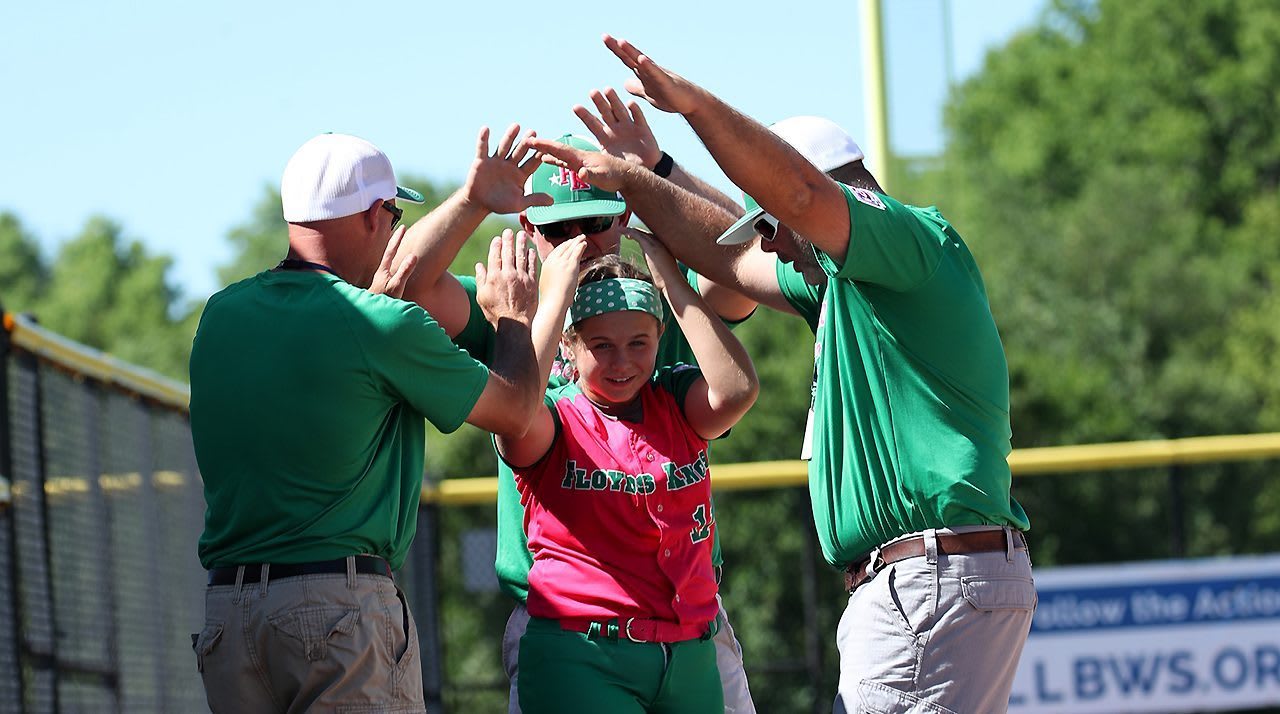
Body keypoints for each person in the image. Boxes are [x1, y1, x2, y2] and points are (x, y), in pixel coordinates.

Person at [529, 36, 1037, 714]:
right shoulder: (841, 283)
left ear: (825, 201)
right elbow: (729, 254)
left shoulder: (913, 242)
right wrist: (656, 168)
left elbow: (794, 196)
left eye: (773, 223)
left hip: (932, 573)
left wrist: (687, 112)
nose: (767, 240)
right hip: (935, 574)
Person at [402, 114, 759, 713]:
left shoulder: (644, 305)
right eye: (560, 228)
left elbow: (747, 260)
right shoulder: (509, 304)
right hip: (569, 617)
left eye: (595, 222)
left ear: (623, 217)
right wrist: (469, 201)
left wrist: (658, 172)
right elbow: (403, 287)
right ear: (528, 227)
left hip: (687, 613)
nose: (582, 242)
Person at [189, 131, 547, 713]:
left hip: (229, 616)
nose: (395, 229)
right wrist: (512, 319)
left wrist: (473, 199)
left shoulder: (220, 314)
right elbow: (517, 410)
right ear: (373, 215)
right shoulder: (380, 325)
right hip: (336, 610)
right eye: (393, 213)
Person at [498, 227, 759, 713]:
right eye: (601, 346)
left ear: (660, 336)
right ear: (570, 348)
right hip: (585, 652)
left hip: (690, 649)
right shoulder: (552, 417)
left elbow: (737, 390)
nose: (622, 361)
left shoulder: (675, 400)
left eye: (639, 342)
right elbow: (513, 415)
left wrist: (672, 287)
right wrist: (554, 299)